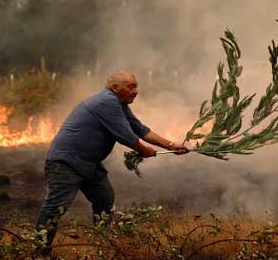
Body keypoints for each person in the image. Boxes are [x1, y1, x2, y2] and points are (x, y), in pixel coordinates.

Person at [35, 70, 189, 250]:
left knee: (104, 200)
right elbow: (126, 136)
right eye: (131, 86)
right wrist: (145, 151)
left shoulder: (119, 104)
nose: (136, 91)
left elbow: (141, 130)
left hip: (88, 163)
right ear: (115, 88)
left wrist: (171, 145)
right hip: (66, 163)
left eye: (136, 86)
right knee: (55, 209)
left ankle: (104, 246)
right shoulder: (107, 102)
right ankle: (39, 254)